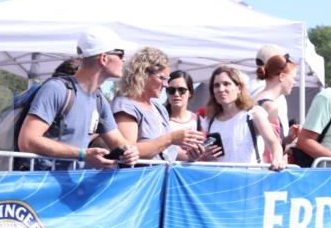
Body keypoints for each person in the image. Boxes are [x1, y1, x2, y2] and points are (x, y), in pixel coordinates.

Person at [18, 26, 139, 169]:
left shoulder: (99, 99)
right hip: (41, 181)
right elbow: (27, 141)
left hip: (73, 182)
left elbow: (118, 143)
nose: (124, 60)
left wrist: (129, 152)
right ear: (104, 58)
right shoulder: (56, 89)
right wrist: (82, 154)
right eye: (120, 54)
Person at [112, 47, 200, 161]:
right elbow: (127, 151)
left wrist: (192, 155)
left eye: (167, 79)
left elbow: (168, 151)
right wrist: (170, 138)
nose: (166, 84)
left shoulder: (159, 108)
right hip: (142, 173)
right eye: (162, 78)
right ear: (143, 74)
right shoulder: (125, 105)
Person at [201, 64, 284, 170]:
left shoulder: (254, 113)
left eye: (226, 84)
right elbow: (204, 152)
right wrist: (206, 154)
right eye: (216, 85)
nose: (221, 89)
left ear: (239, 88)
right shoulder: (209, 121)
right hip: (220, 178)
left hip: (250, 177)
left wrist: (277, 159)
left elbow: (273, 142)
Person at [254, 53, 297, 148]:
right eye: (293, 78)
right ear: (282, 77)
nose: (294, 82)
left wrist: (289, 138)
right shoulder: (269, 107)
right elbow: (270, 150)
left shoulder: (258, 99)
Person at [164, 70, 202, 162]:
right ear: (167, 93)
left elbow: (204, 152)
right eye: (171, 90)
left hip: (189, 170)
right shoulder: (160, 119)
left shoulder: (198, 120)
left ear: (190, 93)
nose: (176, 94)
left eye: (182, 90)